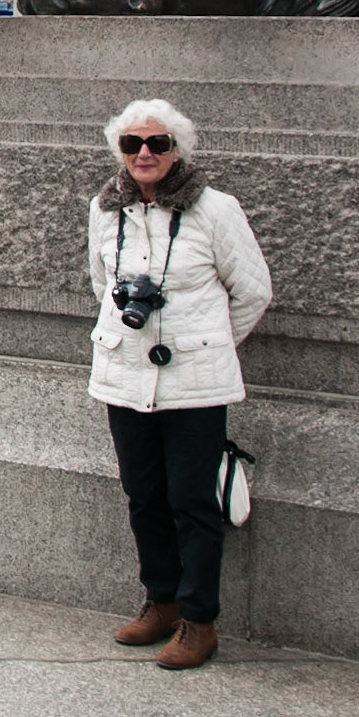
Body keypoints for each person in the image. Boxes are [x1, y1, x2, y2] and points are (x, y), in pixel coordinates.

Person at [89, 98, 272, 671]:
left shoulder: (216, 210)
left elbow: (253, 292)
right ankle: (161, 602)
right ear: (121, 151)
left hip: (196, 382)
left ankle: (200, 621)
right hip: (124, 375)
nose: (145, 153)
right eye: (133, 144)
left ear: (177, 150)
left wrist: (208, 345)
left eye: (158, 144)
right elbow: (102, 286)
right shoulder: (104, 209)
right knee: (143, 495)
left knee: (193, 502)